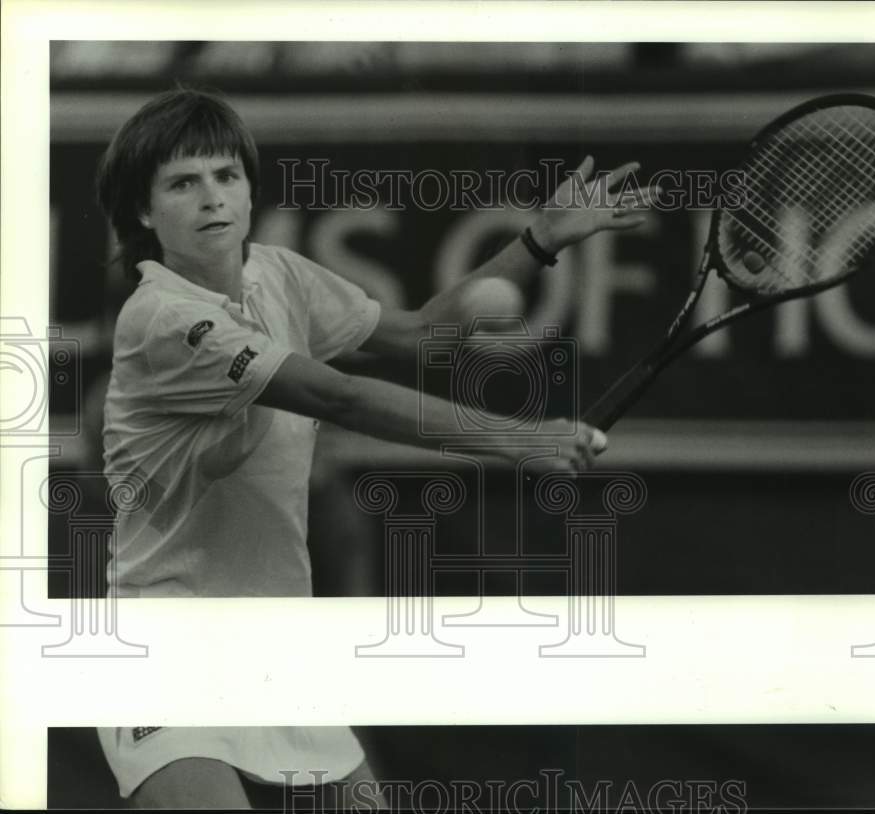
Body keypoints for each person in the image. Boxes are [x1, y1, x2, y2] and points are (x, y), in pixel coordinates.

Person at [93, 88, 654, 808]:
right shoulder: (164, 317)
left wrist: (537, 242)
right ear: (144, 212)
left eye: (226, 175)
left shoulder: (278, 274)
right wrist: (519, 441)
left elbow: (420, 333)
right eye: (182, 183)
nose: (212, 199)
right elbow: (339, 396)